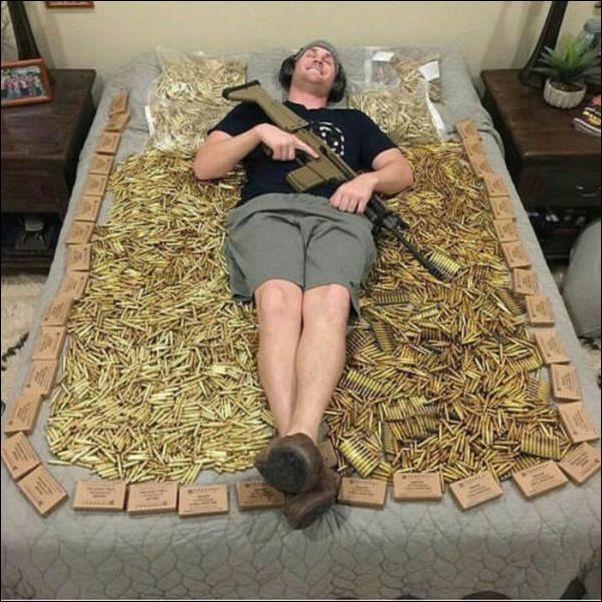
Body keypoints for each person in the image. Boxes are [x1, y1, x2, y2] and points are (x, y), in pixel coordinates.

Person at [194, 40, 413, 528]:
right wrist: (260, 133)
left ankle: (295, 449)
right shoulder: (254, 110)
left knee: (329, 306)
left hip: (340, 214)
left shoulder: (353, 121)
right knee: (278, 305)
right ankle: (309, 455)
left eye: (329, 59)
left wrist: (366, 182)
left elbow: (401, 170)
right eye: (311, 54)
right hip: (267, 210)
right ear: (291, 68)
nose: (320, 58)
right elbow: (205, 166)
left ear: (336, 80)